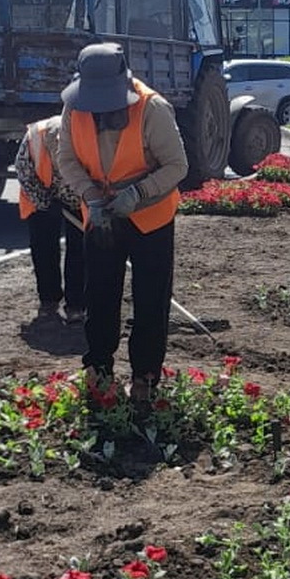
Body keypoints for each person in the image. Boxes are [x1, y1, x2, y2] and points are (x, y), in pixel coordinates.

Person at [55, 42, 188, 403]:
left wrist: (138, 194)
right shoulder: (74, 108)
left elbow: (177, 166)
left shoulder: (152, 109)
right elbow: (66, 158)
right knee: (99, 294)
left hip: (151, 218)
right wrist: (91, 196)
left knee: (150, 298)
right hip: (100, 216)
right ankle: (98, 368)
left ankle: (145, 376)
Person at [15, 116, 86, 324]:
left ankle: (76, 304)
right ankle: (48, 299)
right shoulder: (35, 138)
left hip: (79, 198)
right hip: (40, 193)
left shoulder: (87, 140)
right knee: (43, 246)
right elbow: (23, 172)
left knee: (80, 249)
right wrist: (45, 203)